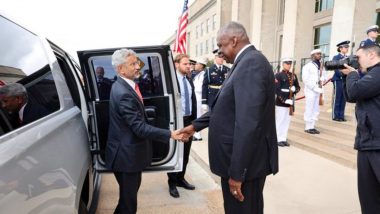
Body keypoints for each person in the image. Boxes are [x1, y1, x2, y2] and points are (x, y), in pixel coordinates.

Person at [180, 22, 278, 214]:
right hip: (238, 162)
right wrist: (195, 126)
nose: (220, 51)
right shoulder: (243, 62)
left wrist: (237, 173)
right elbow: (226, 107)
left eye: (221, 45)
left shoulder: (251, 64)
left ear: (234, 40)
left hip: (244, 167)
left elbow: (248, 123)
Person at [106, 48, 183, 214]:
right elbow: (139, 128)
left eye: (137, 62)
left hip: (127, 157)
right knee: (128, 206)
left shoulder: (123, 86)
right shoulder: (123, 93)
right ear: (121, 69)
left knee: (126, 201)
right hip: (126, 159)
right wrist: (170, 134)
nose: (137, 67)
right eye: (132, 64)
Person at [342, 43, 380, 214]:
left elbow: (356, 91)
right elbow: (351, 96)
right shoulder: (369, 74)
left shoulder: (378, 73)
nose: (357, 61)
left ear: (372, 54)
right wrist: (348, 76)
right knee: (368, 197)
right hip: (367, 142)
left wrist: (351, 74)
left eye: (358, 57)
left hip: (377, 144)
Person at [167, 54, 197, 198]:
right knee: (176, 153)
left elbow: (192, 100)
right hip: (177, 122)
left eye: (189, 64)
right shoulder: (171, 82)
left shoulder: (189, 80)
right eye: (185, 64)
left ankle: (180, 179)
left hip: (189, 121)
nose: (188, 66)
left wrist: (194, 122)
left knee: (185, 153)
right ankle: (172, 183)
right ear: (176, 64)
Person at [275, 58, 300, 147]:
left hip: (290, 103)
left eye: (290, 63)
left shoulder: (293, 75)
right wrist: (284, 100)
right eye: (287, 63)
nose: (288, 65)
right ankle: (277, 139)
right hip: (281, 103)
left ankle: (283, 138)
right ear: (283, 64)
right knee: (280, 121)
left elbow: (298, 87)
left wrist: (295, 89)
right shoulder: (278, 75)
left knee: (286, 121)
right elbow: (277, 90)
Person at [302, 49, 327, 134]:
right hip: (310, 90)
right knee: (310, 108)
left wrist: (323, 78)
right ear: (312, 55)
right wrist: (314, 87)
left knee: (316, 109)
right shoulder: (307, 66)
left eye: (320, 54)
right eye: (317, 54)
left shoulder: (321, 66)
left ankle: (312, 126)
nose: (319, 55)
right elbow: (305, 79)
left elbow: (325, 75)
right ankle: (307, 127)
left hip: (319, 89)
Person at [331, 40, 350, 122]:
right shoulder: (336, 57)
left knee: (344, 98)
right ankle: (335, 115)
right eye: (346, 47)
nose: (347, 48)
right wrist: (342, 74)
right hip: (338, 79)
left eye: (347, 47)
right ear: (340, 48)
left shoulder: (348, 58)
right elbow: (335, 69)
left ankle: (341, 115)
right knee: (337, 98)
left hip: (346, 80)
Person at [192, 57, 208, 141]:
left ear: (201, 66)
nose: (195, 65)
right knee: (196, 116)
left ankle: (198, 135)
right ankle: (196, 134)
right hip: (196, 96)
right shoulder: (198, 74)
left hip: (199, 97)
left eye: (197, 64)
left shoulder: (203, 75)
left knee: (198, 116)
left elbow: (202, 88)